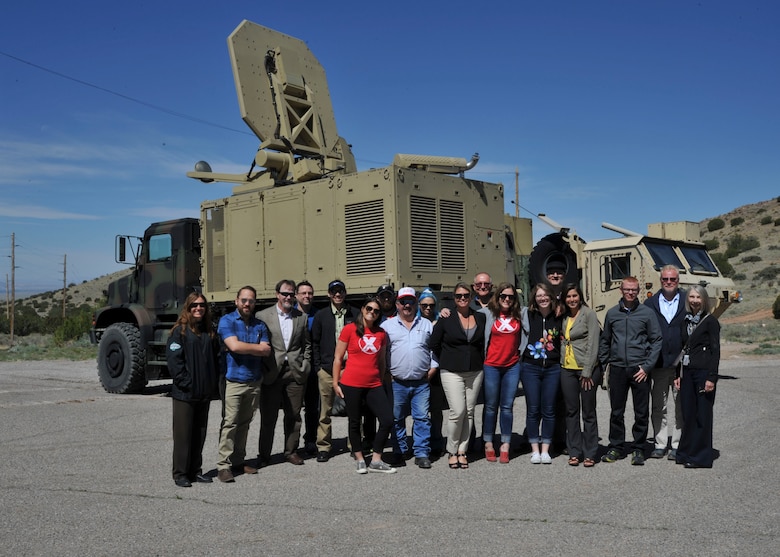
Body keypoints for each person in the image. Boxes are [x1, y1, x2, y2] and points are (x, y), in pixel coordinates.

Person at [598, 276, 663, 466]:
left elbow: (656, 340)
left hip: (639, 368)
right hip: (617, 368)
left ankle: (639, 449)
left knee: (641, 411)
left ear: (638, 291)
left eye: (634, 290)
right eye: (627, 289)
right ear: (621, 290)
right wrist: (605, 364)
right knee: (616, 411)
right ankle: (616, 447)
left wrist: (647, 366)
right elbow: (605, 340)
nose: (630, 293)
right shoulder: (612, 314)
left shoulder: (647, 313)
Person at [332, 297, 397, 474]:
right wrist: (335, 382)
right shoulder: (350, 329)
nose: (372, 312)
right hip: (351, 383)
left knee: (387, 420)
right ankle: (360, 458)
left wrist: (383, 379)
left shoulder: (381, 333)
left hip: (374, 384)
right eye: (369, 308)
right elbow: (338, 358)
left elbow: (382, 360)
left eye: (376, 311)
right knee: (355, 422)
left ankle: (376, 459)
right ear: (362, 309)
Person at [216, 286, 271, 483]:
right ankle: (223, 466)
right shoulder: (227, 321)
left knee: (245, 423)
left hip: (254, 381)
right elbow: (234, 346)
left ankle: (238, 461)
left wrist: (248, 348)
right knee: (230, 423)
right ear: (236, 301)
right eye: (244, 300)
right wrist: (255, 348)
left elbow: (267, 351)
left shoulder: (260, 325)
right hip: (234, 381)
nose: (247, 304)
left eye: (251, 301)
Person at [429, 282, 486, 470]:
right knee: (457, 411)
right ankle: (451, 450)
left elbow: (480, 343)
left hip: (475, 371)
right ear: (454, 298)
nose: (462, 299)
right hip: (451, 371)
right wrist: (448, 358)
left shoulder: (480, 317)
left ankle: (462, 450)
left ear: (471, 297)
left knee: (470, 412)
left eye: (465, 295)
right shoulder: (447, 318)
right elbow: (434, 343)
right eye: (458, 296)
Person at [166, 292, 220, 487]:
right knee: (183, 436)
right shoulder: (178, 332)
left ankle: (196, 471)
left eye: (202, 305)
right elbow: (174, 363)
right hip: (185, 395)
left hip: (204, 394)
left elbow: (216, 360)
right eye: (194, 306)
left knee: (199, 434)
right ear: (187, 308)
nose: (198, 308)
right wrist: (187, 383)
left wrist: (212, 385)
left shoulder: (209, 332)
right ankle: (180, 473)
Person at [256, 280, 311, 467]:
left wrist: (306, 365)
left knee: (294, 415)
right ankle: (264, 455)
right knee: (268, 417)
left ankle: (291, 452)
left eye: (290, 294)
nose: (288, 297)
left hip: (295, 373)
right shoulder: (263, 316)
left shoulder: (300, 317)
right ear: (277, 294)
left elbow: (307, 345)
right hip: (272, 372)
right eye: (284, 293)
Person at [382, 287, 436, 469]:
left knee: (421, 418)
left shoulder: (426, 325)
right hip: (397, 382)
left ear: (416, 304)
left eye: (411, 301)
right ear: (397, 304)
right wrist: (386, 374)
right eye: (403, 301)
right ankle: (399, 451)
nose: (407, 305)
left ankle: (421, 453)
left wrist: (433, 369)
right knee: (397, 418)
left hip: (421, 382)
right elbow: (382, 353)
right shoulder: (387, 327)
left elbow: (433, 350)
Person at [310, 279, 357, 462]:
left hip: (350, 368)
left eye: (341, 291)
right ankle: (324, 447)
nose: (338, 294)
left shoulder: (354, 312)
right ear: (329, 294)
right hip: (328, 370)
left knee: (354, 410)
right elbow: (314, 342)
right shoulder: (321, 316)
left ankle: (355, 444)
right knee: (325, 411)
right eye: (334, 291)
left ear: (345, 293)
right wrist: (319, 368)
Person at [674, 285, 720, 468]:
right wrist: (678, 374)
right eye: (691, 297)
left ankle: (700, 457)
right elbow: (681, 348)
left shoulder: (711, 322)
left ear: (704, 300)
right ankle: (686, 452)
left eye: (698, 297)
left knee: (702, 414)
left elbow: (715, 352)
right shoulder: (684, 321)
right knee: (689, 414)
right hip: (687, 372)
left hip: (703, 373)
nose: (694, 300)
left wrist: (712, 377)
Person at [644, 265, 686, 461]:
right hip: (659, 364)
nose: (669, 282)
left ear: (678, 281)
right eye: (665, 279)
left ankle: (677, 444)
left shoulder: (688, 300)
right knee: (658, 405)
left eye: (673, 279)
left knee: (680, 406)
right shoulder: (649, 303)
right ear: (660, 280)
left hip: (681, 366)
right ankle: (660, 443)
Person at [480, 282, 526, 464]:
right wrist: (444, 313)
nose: (507, 299)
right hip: (491, 365)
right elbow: (464, 315)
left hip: (512, 366)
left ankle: (505, 443)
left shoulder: (521, 314)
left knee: (507, 406)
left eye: (510, 297)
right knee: (491, 406)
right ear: (497, 297)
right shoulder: (487, 313)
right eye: (503, 296)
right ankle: (488, 442)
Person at [520, 283, 562, 464]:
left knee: (549, 409)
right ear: (534, 298)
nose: (543, 298)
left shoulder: (559, 315)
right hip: (530, 367)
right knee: (533, 409)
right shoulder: (527, 314)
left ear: (552, 297)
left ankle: (546, 449)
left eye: (546, 295)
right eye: (539, 296)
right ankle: (534, 449)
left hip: (553, 367)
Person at [559, 284, 601, 467]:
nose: (572, 299)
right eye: (568, 297)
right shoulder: (563, 316)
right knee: (571, 411)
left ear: (580, 296)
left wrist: (587, 370)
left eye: (574, 296)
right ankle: (575, 451)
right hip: (567, 368)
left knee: (589, 412)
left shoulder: (588, 314)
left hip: (587, 369)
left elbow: (594, 342)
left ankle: (590, 452)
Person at [418, 289, 445, 458]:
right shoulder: (415, 321)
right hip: (419, 372)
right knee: (419, 411)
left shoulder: (441, 320)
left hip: (437, 371)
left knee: (436, 409)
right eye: (424, 305)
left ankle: (436, 442)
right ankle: (420, 442)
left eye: (431, 305)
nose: (428, 308)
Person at [295, 280, 320, 456]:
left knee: (312, 408)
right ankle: (292, 445)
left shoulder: (318, 315)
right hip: (295, 368)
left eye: (310, 293)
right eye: (303, 293)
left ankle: (310, 440)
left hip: (313, 369)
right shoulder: (290, 315)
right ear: (296, 295)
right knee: (293, 409)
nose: (307, 296)